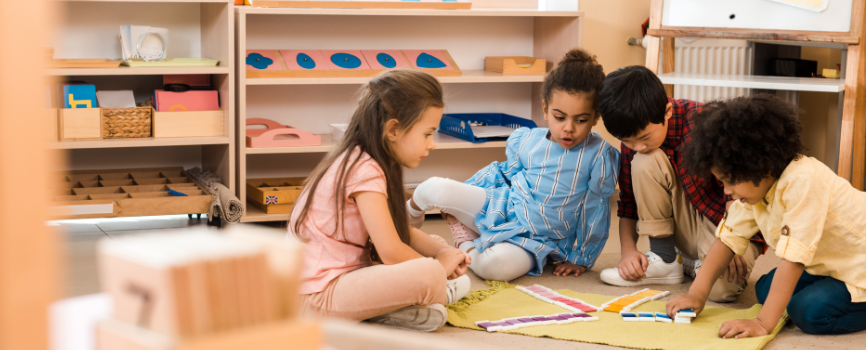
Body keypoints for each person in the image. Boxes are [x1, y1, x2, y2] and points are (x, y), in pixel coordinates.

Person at [407, 49, 618, 281]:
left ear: (595, 117)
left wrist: (582, 258)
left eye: (581, 120)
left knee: (495, 267)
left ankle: (463, 243)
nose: (568, 128)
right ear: (546, 109)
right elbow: (501, 173)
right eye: (560, 117)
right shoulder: (527, 140)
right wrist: (464, 193)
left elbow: (595, 209)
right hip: (503, 207)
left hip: (539, 240)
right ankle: (402, 223)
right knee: (433, 188)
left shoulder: (599, 155)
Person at [667, 94, 866, 337]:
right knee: (765, 289)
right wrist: (696, 295)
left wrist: (762, 323)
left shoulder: (804, 181)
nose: (726, 191)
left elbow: (793, 261)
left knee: (808, 312)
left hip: (859, 268)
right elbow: (726, 240)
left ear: (761, 166)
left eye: (730, 181)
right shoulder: (755, 189)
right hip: (832, 264)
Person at [289, 69, 471, 332]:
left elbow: (396, 233)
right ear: (394, 130)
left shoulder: (365, 159)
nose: (432, 144)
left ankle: (389, 310)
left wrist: (441, 253)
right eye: (427, 133)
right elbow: (390, 251)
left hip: (340, 280)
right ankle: (432, 294)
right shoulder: (364, 169)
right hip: (317, 297)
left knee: (436, 246)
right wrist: (439, 267)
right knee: (430, 273)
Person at [595, 66, 764, 303]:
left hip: (726, 220)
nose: (637, 147)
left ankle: (690, 263)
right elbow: (628, 202)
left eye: (644, 138)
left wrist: (732, 241)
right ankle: (665, 259)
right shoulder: (635, 143)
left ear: (667, 111)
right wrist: (628, 252)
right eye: (627, 142)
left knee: (721, 290)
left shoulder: (706, 122)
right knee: (644, 161)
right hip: (685, 222)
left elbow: (737, 195)